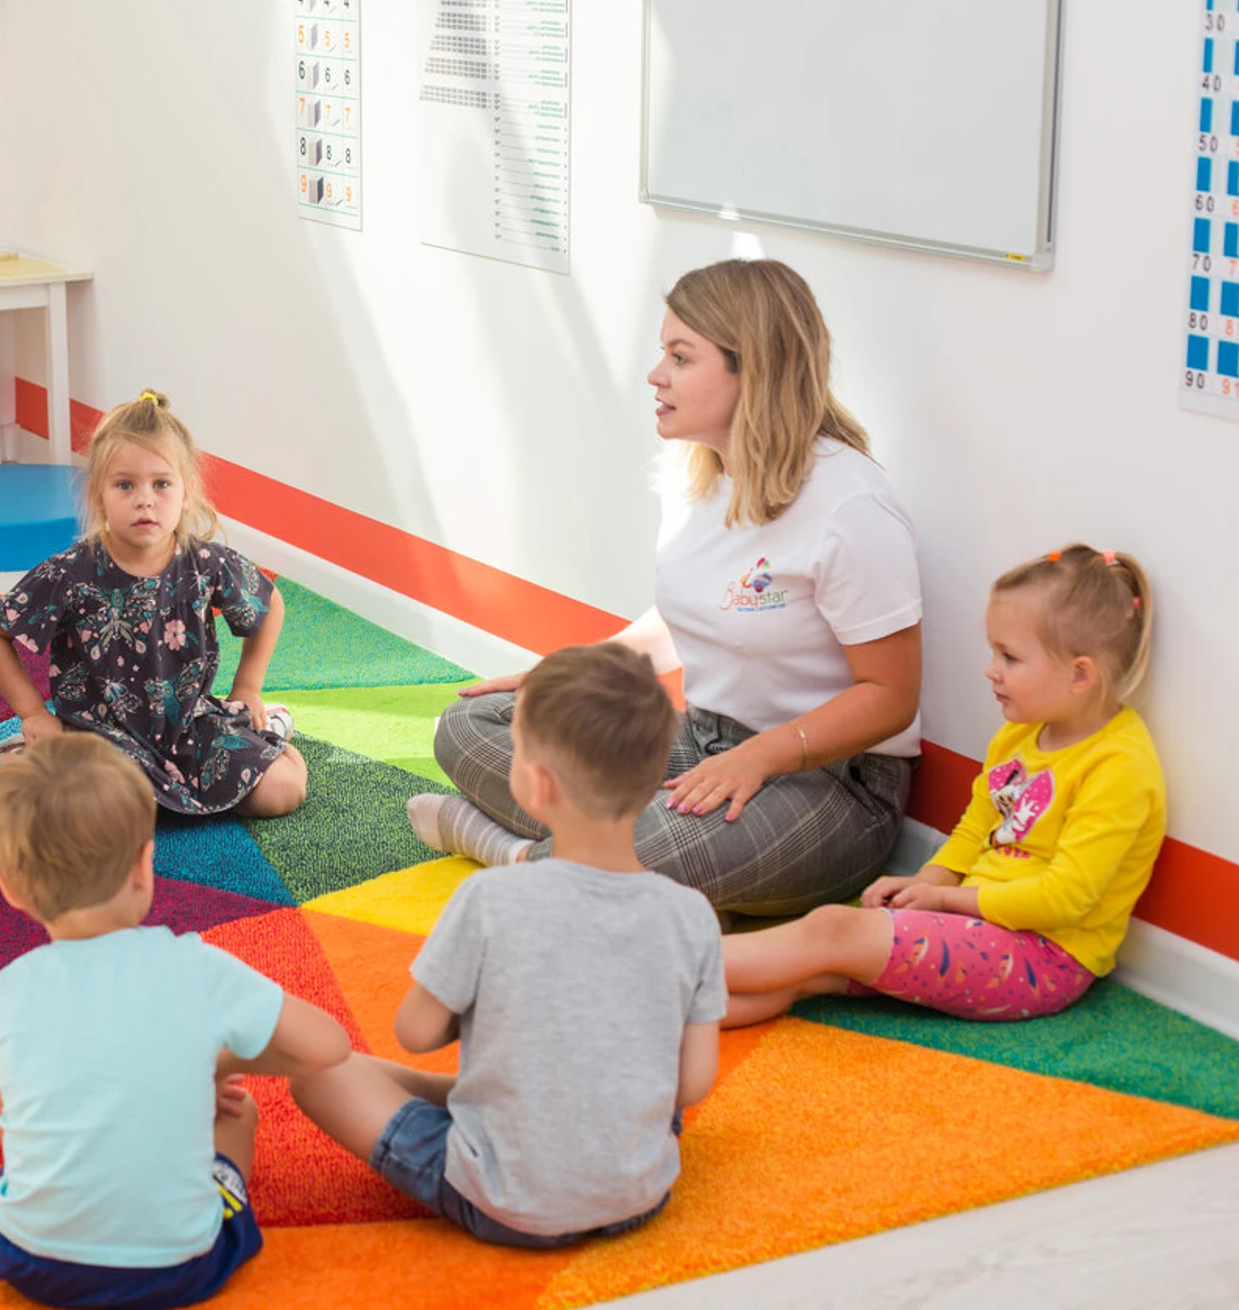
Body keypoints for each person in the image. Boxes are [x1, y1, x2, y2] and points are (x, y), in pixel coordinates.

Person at [412, 258, 923, 917]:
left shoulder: (851, 507)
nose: (657, 375)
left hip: (830, 781)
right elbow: (687, 619)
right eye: (664, 354)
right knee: (472, 724)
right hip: (704, 739)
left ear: (754, 370)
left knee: (645, 844)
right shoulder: (696, 473)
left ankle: (510, 852)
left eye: (681, 358)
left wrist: (760, 758)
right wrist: (573, 673)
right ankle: (638, 867)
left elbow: (891, 698)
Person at [291, 644, 724, 1247]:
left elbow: (415, 1032)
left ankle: (503, 1107)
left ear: (535, 783)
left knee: (322, 1073)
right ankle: (520, 1100)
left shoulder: (491, 899)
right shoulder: (692, 915)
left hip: (503, 1201)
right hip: (638, 1192)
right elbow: (692, 1084)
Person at [0, 732, 350, 1307]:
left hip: (29, 1260)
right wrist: (214, 1064)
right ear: (145, 866)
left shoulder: (6, 992)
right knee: (238, 1116)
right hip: (179, 1266)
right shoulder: (195, 967)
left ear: (8, 888)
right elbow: (329, 1046)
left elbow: (6, 1125)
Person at [722, 545, 1164, 1026]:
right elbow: (974, 832)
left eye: (1010, 657)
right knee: (806, 971)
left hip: (1045, 957)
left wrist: (945, 900)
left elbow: (1065, 898)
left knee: (831, 929)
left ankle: (676, 961)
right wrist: (925, 884)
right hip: (977, 922)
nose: (991, 669)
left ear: (1080, 674)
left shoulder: (1119, 765)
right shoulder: (1020, 735)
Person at [0, 389, 308, 818]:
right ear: (99, 494)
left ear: (186, 492)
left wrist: (248, 687)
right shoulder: (70, 572)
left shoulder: (206, 563)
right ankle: (25, 755)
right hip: (102, 741)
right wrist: (33, 713)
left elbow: (269, 603)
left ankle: (268, 733)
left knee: (282, 791)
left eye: (161, 484)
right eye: (125, 485)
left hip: (191, 728)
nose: (145, 499)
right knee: (99, 813)